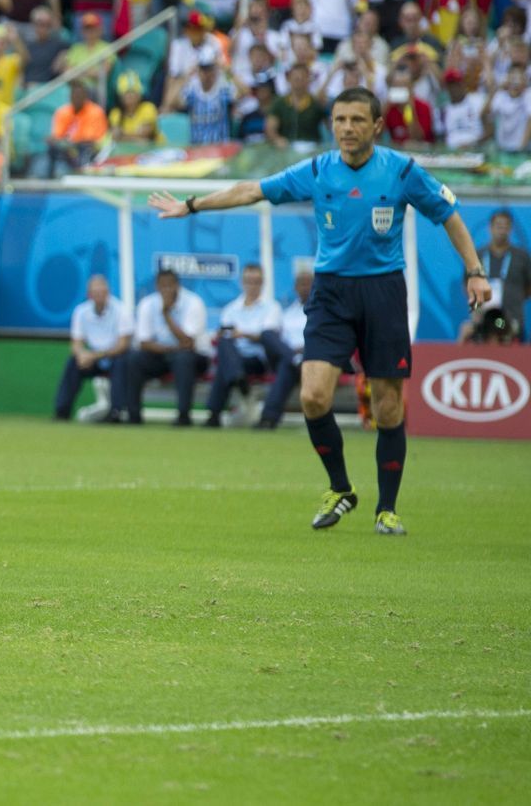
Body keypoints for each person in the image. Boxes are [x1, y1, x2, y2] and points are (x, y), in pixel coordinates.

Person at [150, 87, 493, 535]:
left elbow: (449, 213)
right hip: (331, 292)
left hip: (383, 291)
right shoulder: (316, 170)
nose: (346, 128)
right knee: (313, 395)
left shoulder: (402, 170)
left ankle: (386, 509)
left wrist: (475, 270)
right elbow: (251, 189)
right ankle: (340, 488)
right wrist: (190, 206)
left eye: (355, 120)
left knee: (388, 406)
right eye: (339, 120)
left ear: (375, 125)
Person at [203, 264, 287, 426]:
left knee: (225, 364)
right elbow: (225, 335)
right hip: (236, 357)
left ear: (262, 283)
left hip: (259, 359)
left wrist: (242, 334)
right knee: (225, 344)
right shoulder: (231, 309)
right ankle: (238, 378)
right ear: (242, 282)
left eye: (256, 282)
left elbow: (269, 338)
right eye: (249, 281)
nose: (252, 286)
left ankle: (214, 414)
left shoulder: (272, 308)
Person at [126, 269, 212, 426]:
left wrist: (167, 315)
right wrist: (171, 350)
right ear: (157, 286)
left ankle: (183, 416)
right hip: (163, 354)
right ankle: (133, 415)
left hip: (194, 357)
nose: (166, 290)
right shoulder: (147, 304)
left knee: (183, 359)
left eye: (169, 286)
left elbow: (188, 343)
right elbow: (144, 343)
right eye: (162, 286)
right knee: (133, 358)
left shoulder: (194, 302)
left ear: (177, 286)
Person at [54, 274, 131, 422]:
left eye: (103, 291)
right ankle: (62, 411)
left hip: (114, 356)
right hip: (92, 358)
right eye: (95, 292)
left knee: (122, 363)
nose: (99, 295)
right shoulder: (81, 311)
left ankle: (116, 413)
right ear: (89, 294)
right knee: (74, 363)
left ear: (108, 292)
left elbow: (123, 345)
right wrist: (82, 355)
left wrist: (94, 356)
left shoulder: (121, 310)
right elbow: (76, 343)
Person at [458, 210, 530, 343]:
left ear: (510, 229)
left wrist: (514, 297)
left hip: (510, 319)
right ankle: (457, 360)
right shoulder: (477, 256)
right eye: (498, 226)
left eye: (505, 226)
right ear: (490, 228)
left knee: (502, 333)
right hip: (483, 319)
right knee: (465, 330)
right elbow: (467, 284)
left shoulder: (522, 257)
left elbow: (528, 288)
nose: (502, 230)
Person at [258, 270, 316, 429]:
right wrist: (292, 354)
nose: (305, 288)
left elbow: (326, 337)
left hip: (313, 358)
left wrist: (303, 350)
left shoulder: (324, 310)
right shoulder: (288, 312)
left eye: (309, 283)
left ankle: (268, 418)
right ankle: (293, 359)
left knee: (286, 365)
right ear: (295, 287)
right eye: (301, 284)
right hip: (290, 357)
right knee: (267, 334)